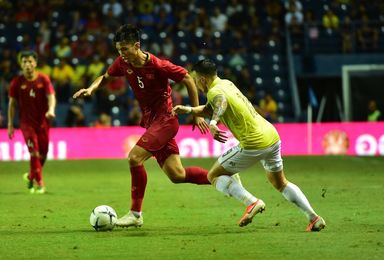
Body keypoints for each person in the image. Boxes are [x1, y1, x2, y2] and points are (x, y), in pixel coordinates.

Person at [73, 24, 213, 228]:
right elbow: (106, 77)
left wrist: (197, 113)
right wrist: (92, 88)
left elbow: (188, 79)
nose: (121, 54)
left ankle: (135, 214)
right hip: (151, 122)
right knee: (177, 175)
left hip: (165, 119)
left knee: (134, 158)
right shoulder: (123, 62)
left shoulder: (158, 65)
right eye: (119, 50)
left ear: (137, 45)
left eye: (125, 49)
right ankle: (222, 176)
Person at [173, 59, 325, 231]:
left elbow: (220, 103)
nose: (196, 83)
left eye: (195, 79)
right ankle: (314, 218)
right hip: (272, 136)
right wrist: (188, 110)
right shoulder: (226, 83)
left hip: (254, 142)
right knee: (280, 182)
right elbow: (211, 107)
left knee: (213, 175)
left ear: (202, 79)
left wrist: (214, 123)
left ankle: (252, 202)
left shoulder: (215, 92)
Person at [8, 50, 56, 194]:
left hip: (43, 122)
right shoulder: (16, 82)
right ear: (21, 64)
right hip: (26, 123)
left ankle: (30, 176)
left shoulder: (43, 79)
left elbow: (51, 95)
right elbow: (12, 104)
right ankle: (40, 183)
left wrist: (51, 109)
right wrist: (10, 124)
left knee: (44, 154)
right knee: (34, 152)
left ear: (35, 63)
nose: (28, 64)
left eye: (30, 61)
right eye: (24, 62)